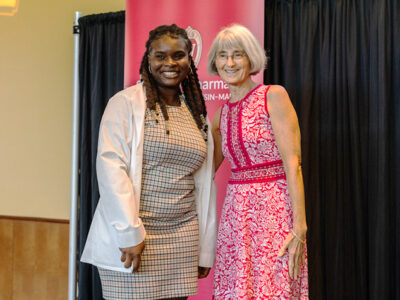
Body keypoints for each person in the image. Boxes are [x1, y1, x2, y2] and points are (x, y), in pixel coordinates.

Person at [81, 24, 217, 300]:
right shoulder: (125, 103)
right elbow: (111, 168)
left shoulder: (197, 113)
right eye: (160, 55)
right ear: (148, 59)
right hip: (135, 236)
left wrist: (204, 248)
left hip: (182, 237)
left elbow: (204, 185)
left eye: (178, 55)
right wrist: (130, 234)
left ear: (189, 61)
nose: (170, 63)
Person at [207, 24, 309, 299]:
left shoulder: (272, 96)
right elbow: (205, 173)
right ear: (215, 62)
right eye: (222, 55)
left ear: (251, 58)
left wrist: (300, 226)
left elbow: (293, 163)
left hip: (273, 212)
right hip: (235, 218)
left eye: (237, 55)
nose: (229, 63)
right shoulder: (220, 116)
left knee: (274, 288)